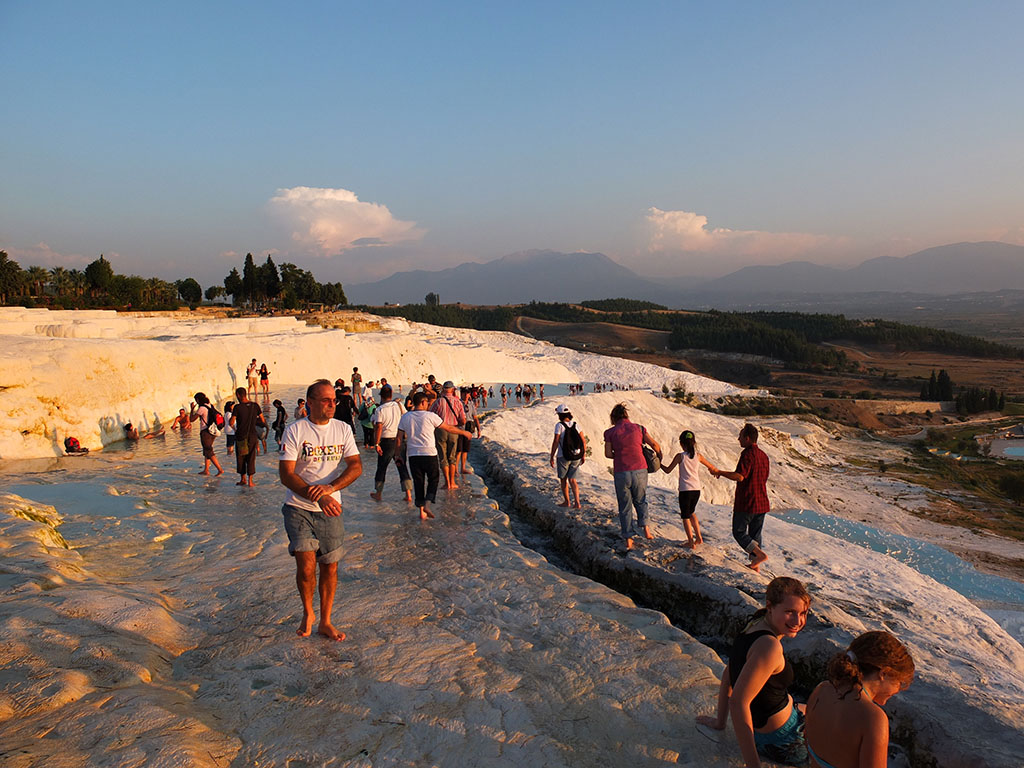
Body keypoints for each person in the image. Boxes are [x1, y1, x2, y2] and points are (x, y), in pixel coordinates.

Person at [278, 379, 362, 642]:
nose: (331, 404)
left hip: (331, 507)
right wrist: (318, 497)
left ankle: (325, 620)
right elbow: (286, 475)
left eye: (333, 400)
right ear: (310, 402)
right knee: (305, 564)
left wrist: (330, 489)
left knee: (330, 565)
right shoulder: (295, 431)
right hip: (298, 507)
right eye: (325, 400)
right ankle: (307, 612)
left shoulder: (343, 429)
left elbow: (356, 466)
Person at [697, 577, 812, 768]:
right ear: (770, 606)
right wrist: (754, 765)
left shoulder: (754, 624)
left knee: (826, 709)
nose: (797, 621)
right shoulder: (769, 646)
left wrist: (720, 722)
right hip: (783, 740)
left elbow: (730, 672)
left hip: (780, 719)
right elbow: (738, 702)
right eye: (789, 612)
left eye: (803, 613)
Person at [804, 632, 914, 768]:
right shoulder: (874, 718)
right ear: (883, 673)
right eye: (899, 682)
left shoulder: (822, 689)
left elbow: (807, 741)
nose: (897, 690)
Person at [397, 391, 472, 520]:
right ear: (422, 402)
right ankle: (427, 503)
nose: (427, 404)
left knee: (418, 482)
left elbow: (399, 439)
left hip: (413, 455)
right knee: (434, 479)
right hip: (429, 454)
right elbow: (449, 428)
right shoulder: (431, 416)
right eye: (426, 402)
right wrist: (464, 433)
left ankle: (421, 512)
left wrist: (398, 455)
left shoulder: (405, 417)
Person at [603, 403, 661, 550]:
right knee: (641, 500)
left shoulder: (610, 432)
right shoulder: (639, 428)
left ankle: (628, 538)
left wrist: (621, 453)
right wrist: (659, 458)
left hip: (621, 471)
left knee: (625, 505)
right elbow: (654, 445)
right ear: (627, 416)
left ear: (613, 418)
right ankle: (646, 531)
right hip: (640, 469)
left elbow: (608, 454)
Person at [715, 423, 771, 572]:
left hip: (747, 502)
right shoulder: (764, 455)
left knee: (739, 532)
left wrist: (721, 472)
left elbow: (740, 476)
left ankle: (759, 555)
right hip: (762, 502)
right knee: (755, 534)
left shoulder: (747, 454)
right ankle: (755, 565)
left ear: (747, 438)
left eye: (740, 436)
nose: (738, 439)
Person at [661, 430, 719, 549]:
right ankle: (698, 537)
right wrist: (716, 472)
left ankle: (690, 542)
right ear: (693, 442)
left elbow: (667, 470)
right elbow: (711, 467)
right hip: (696, 490)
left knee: (685, 516)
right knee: (691, 512)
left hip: (685, 490)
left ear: (682, 443)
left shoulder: (680, 456)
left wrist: (658, 464)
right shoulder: (698, 456)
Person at [369, 384, 412, 503]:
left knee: (382, 467)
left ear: (381, 396)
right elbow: (406, 417)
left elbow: (378, 427)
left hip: (386, 441)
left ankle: (378, 493)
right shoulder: (399, 405)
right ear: (391, 394)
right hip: (399, 440)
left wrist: (376, 444)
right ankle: (408, 494)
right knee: (402, 465)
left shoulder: (380, 410)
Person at [430, 380, 467, 490]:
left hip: (441, 429)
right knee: (452, 457)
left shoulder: (438, 402)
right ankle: (452, 481)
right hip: (453, 430)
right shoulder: (458, 402)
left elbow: (431, 416)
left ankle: (447, 483)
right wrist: (457, 425)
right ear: (452, 389)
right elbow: (463, 420)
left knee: (443, 457)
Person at [549, 404, 586, 508]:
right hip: (576, 456)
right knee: (573, 480)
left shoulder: (559, 425)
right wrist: (583, 455)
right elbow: (583, 441)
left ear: (560, 415)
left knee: (563, 479)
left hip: (563, 456)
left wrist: (552, 456)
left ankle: (567, 502)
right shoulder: (576, 425)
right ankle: (577, 503)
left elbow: (556, 441)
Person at [231, 386, 265, 487]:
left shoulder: (237, 407)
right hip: (253, 436)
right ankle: (250, 481)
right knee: (251, 457)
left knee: (241, 457)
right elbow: (262, 420)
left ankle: (243, 479)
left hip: (241, 436)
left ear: (238, 395)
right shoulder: (255, 406)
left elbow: (232, 422)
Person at [189, 392, 223, 476]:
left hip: (206, 432)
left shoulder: (201, 408)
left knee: (208, 450)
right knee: (206, 450)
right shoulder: (209, 405)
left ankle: (220, 469)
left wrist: (192, 409)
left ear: (197, 400)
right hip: (212, 431)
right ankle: (206, 470)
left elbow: (191, 419)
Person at [457, 389, 481, 475]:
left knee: (465, 449)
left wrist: (479, 429)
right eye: (464, 393)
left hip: (468, 428)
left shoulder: (471, 404)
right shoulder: (458, 403)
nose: (466, 395)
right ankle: (456, 469)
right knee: (458, 449)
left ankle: (463, 468)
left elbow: (475, 417)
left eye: (467, 394)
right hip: (460, 429)